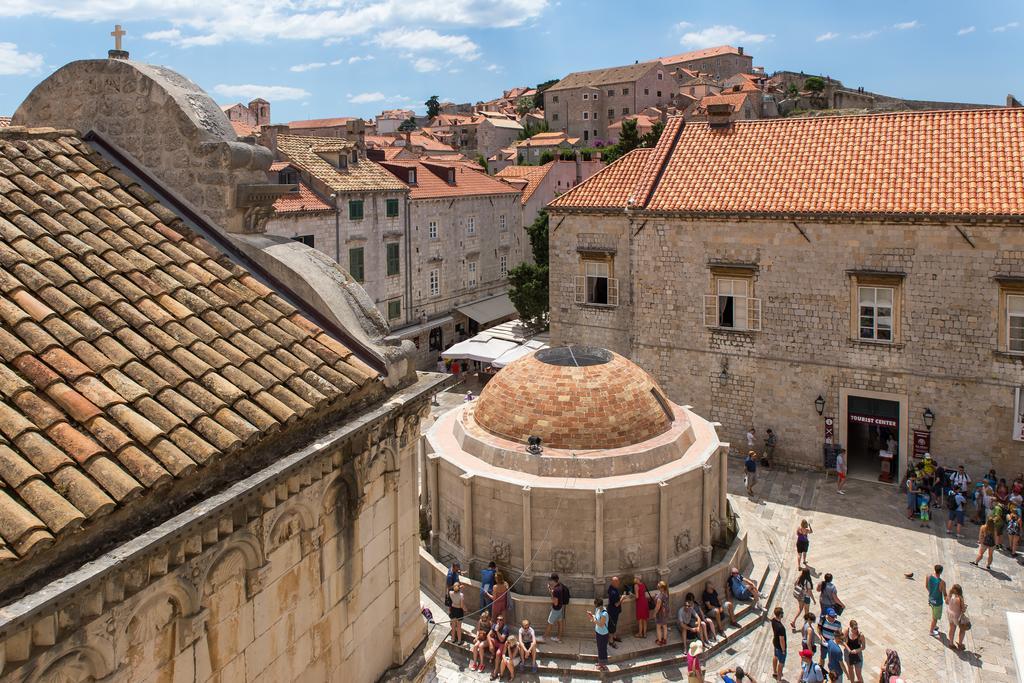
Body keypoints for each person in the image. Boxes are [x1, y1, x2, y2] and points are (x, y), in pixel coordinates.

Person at [540, 573, 566, 643]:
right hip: (560, 607)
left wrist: (551, 593)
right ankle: (559, 638)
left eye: (549, 580)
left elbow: (555, 602)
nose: (548, 581)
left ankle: (543, 638)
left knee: (549, 623)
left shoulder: (556, 590)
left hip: (556, 609)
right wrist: (551, 589)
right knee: (560, 622)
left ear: (552, 581)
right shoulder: (559, 586)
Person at [588, 597, 610, 672]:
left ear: (598, 605)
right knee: (599, 647)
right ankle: (600, 663)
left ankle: (603, 665)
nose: (595, 606)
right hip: (598, 632)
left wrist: (594, 620)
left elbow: (601, 624)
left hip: (603, 633)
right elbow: (596, 618)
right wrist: (592, 615)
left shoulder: (604, 613)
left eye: (595, 605)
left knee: (603, 648)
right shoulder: (598, 609)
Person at [488, 614, 511, 680]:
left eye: (500, 620)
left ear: (503, 621)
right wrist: (490, 644)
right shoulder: (494, 625)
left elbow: (502, 640)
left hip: (502, 644)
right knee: (488, 641)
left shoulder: (505, 628)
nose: (498, 621)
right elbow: (488, 635)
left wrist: (497, 631)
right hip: (496, 641)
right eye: (497, 619)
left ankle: (495, 672)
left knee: (498, 654)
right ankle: (493, 654)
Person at [945, 584, 967, 651]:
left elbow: (946, 602)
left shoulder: (950, 595)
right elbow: (963, 609)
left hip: (950, 613)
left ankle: (951, 643)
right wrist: (965, 607)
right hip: (957, 616)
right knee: (962, 629)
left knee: (952, 629)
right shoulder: (960, 598)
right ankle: (960, 644)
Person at [926, 564, 946, 637]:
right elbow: (945, 593)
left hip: (931, 599)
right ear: (941, 572)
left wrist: (932, 594)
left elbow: (926, 586)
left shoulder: (928, 576)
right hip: (937, 602)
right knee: (935, 618)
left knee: (933, 613)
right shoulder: (942, 582)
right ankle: (931, 631)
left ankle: (934, 626)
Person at [606, 576, 625, 647]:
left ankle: (614, 637)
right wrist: (622, 599)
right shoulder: (613, 592)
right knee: (612, 625)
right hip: (613, 612)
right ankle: (611, 641)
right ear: (614, 583)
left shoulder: (612, 588)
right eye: (617, 582)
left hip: (614, 611)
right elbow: (616, 604)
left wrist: (619, 597)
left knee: (614, 624)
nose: (619, 583)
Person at [770, 606, 786, 681]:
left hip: (775, 643)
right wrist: (783, 650)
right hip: (780, 647)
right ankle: (779, 679)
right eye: (782, 613)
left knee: (775, 656)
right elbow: (782, 640)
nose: (783, 614)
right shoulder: (781, 627)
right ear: (780, 615)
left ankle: (775, 672)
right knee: (781, 663)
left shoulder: (773, 620)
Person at [448, 580, 465, 645]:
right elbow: (462, 606)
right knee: (458, 627)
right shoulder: (461, 595)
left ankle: (453, 639)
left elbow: (451, 589)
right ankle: (459, 641)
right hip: (459, 611)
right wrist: (466, 609)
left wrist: (458, 587)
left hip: (453, 610)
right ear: (459, 587)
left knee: (453, 626)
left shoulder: (450, 593)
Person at [654, 580, 671, 645]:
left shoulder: (660, 597)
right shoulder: (666, 593)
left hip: (661, 613)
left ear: (661, 588)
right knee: (665, 626)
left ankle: (659, 641)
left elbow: (657, 607)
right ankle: (665, 639)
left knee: (658, 626)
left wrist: (654, 614)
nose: (657, 587)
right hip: (666, 612)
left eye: (658, 586)